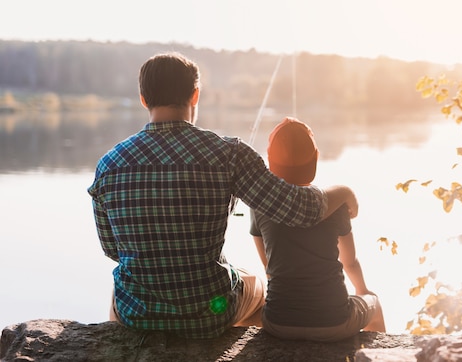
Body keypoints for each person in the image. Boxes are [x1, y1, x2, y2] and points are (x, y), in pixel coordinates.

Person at [87, 52, 359, 339]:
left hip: (138, 314)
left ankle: (123, 350)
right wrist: (344, 192)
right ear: (195, 95)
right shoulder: (228, 154)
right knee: (256, 284)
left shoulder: (109, 164)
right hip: (209, 314)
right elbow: (300, 210)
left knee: (120, 292)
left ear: (143, 99)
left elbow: (112, 250)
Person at [250, 117, 386, 342]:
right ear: (316, 158)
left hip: (277, 322)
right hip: (334, 322)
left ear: (270, 163)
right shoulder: (335, 206)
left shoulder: (259, 206)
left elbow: (269, 267)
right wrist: (363, 291)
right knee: (375, 304)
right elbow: (349, 262)